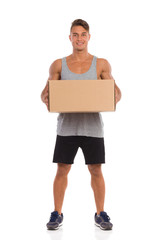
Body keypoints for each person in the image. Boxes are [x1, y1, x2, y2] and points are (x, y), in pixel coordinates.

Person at [41, 19, 121, 231]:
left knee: (96, 170)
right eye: (75, 34)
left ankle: (100, 213)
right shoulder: (58, 64)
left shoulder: (101, 64)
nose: (79, 38)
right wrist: (46, 96)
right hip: (66, 127)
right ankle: (57, 213)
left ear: (89, 37)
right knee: (62, 169)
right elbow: (47, 93)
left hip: (93, 127)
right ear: (70, 38)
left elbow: (115, 93)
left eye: (83, 34)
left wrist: (114, 94)